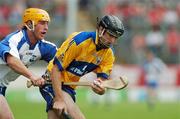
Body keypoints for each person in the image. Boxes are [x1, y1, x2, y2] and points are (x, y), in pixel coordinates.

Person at [39, 15, 124, 119]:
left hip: (69, 87)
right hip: (52, 81)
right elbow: (56, 69)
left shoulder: (108, 55)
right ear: (101, 29)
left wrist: (99, 88)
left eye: (115, 38)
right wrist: (59, 99)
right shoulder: (79, 41)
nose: (112, 41)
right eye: (110, 35)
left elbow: (101, 85)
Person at [0, 8, 57, 119]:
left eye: (47, 23)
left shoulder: (44, 47)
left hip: (2, 87)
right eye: (41, 23)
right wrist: (32, 76)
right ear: (30, 24)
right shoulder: (13, 40)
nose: (46, 27)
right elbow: (12, 61)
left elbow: (63, 60)